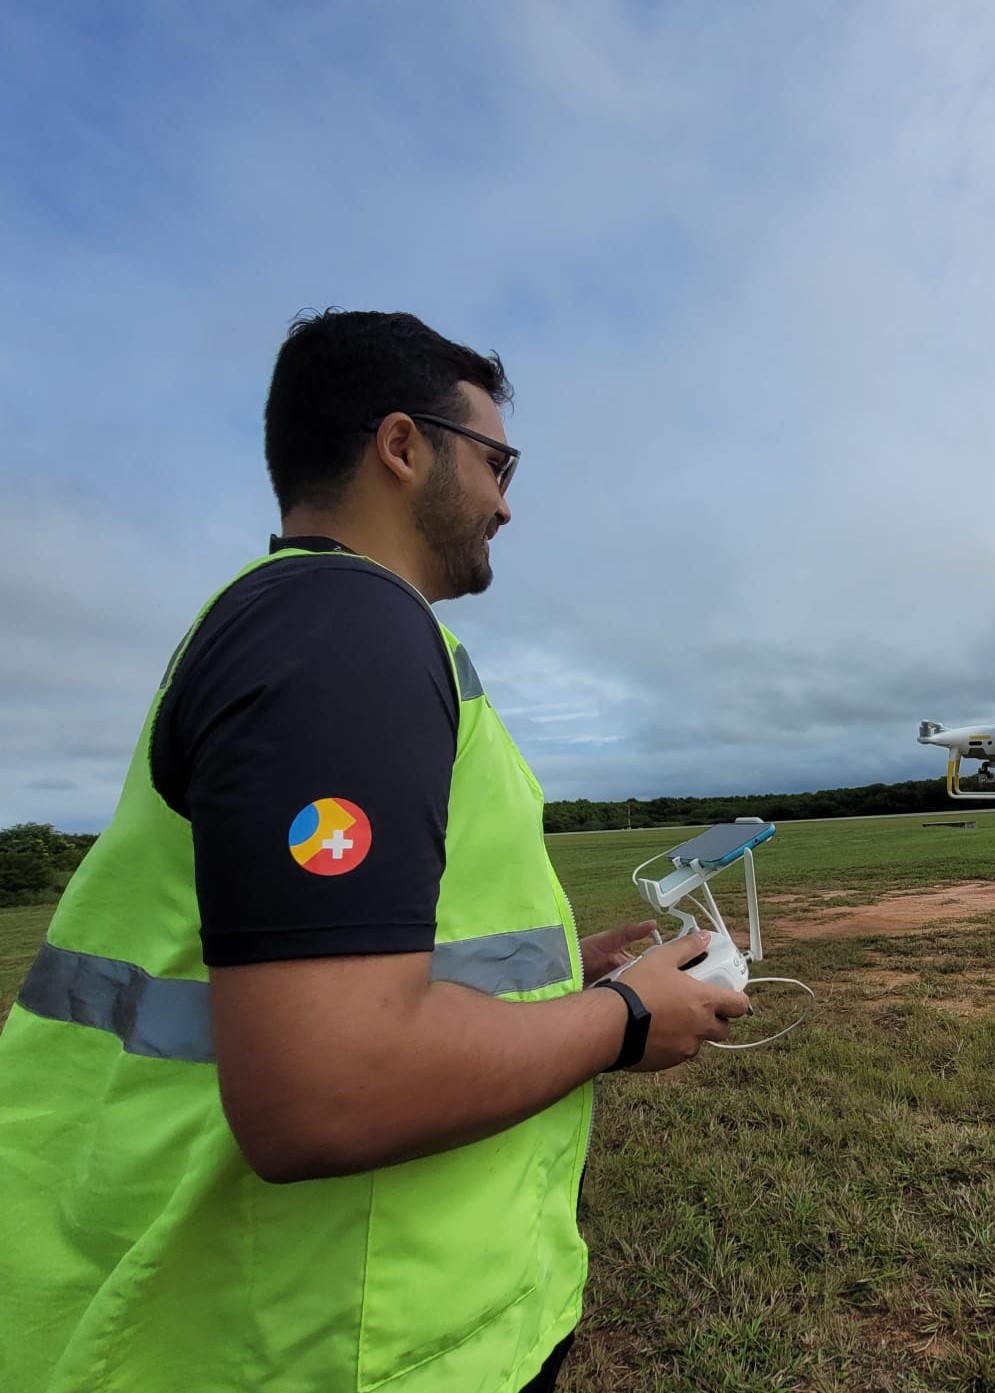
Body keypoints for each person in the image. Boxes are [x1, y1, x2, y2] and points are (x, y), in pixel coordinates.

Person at [0, 309, 751, 1393]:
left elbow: (329, 969)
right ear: (402, 447)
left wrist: (554, 974)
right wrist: (624, 1020)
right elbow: (325, 1085)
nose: (506, 499)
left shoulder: (319, 630)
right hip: (318, 1344)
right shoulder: (343, 634)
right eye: (498, 459)